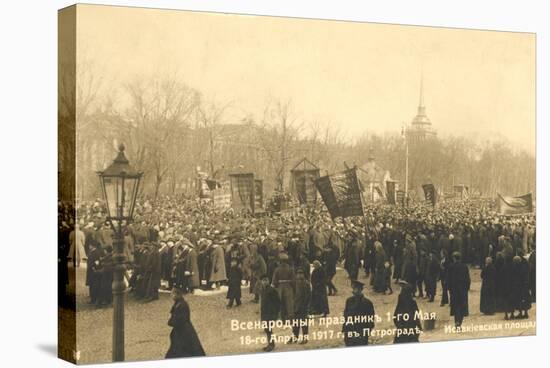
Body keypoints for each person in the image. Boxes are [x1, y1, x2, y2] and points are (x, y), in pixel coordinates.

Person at [165, 286, 206, 358]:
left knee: (183, 348)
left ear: (178, 294)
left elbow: (180, 319)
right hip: (181, 331)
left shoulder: (182, 305)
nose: (171, 295)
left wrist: (171, 322)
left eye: (173, 294)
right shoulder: (178, 303)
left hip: (183, 331)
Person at [342, 280, 375, 346]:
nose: (355, 291)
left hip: (361, 332)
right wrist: (345, 328)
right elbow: (345, 315)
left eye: (357, 289)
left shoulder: (367, 303)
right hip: (350, 331)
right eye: (354, 288)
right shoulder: (349, 301)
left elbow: (371, 319)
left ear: (361, 290)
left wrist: (367, 331)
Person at [447, 252, 470, 327]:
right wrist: (467, 287)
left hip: (454, 290)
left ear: (454, 258)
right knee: (462, 306)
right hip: (463, 289)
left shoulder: (451, 267)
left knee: (456, 306)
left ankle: (456, 321)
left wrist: (449, 288)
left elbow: (449, 279)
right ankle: (460, 322)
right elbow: (468, 279)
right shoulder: (464, 266)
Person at [271, 253, 295, 322]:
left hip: (280, 287)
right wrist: (294, 287)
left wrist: (273, 287)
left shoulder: (277, 269)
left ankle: (282, 317)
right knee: (289, 302)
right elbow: (293, 280)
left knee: (281, 302)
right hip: (288, 286)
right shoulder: (290, 269)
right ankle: (290, 317)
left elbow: (274, 280)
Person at [260, 274, 281, 352]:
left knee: (269, 329)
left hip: (270, 313)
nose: (264, 282)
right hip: (265, 313)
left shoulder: (272, 290)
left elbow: (278, 302)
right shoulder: (263, 290)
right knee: (267, 329)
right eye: (263, 281)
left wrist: (276, 313)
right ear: (261, 282)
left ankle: (271, 345)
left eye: (266, 280)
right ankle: (270, 344)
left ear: (268, 281)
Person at [291, 269, 311, 344]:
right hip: (296, 305)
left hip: (303, 306)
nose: (299, 275)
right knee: (295, 323)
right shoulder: (295, 283)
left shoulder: (306, 283)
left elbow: (307, 296)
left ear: (303, 275)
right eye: (298, 274)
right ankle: (295, 337)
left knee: (304, 323)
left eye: (301, 273)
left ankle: (305, 338)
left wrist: (305, 305)